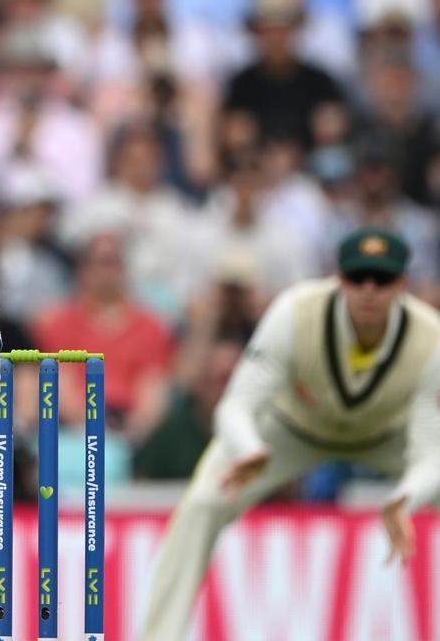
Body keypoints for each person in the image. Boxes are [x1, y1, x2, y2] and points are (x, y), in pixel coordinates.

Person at [140, 226, 440, 640]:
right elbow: (238, 403)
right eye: (357, 278)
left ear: (402, 284)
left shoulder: (430, 337)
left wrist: (407, 498)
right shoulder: (296, 312)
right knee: (204, 501)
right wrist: (249, 448)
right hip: (289, 431)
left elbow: (431, 449)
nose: (369, 291)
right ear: (338, 279)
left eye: (382, 280)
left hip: (386, 435)